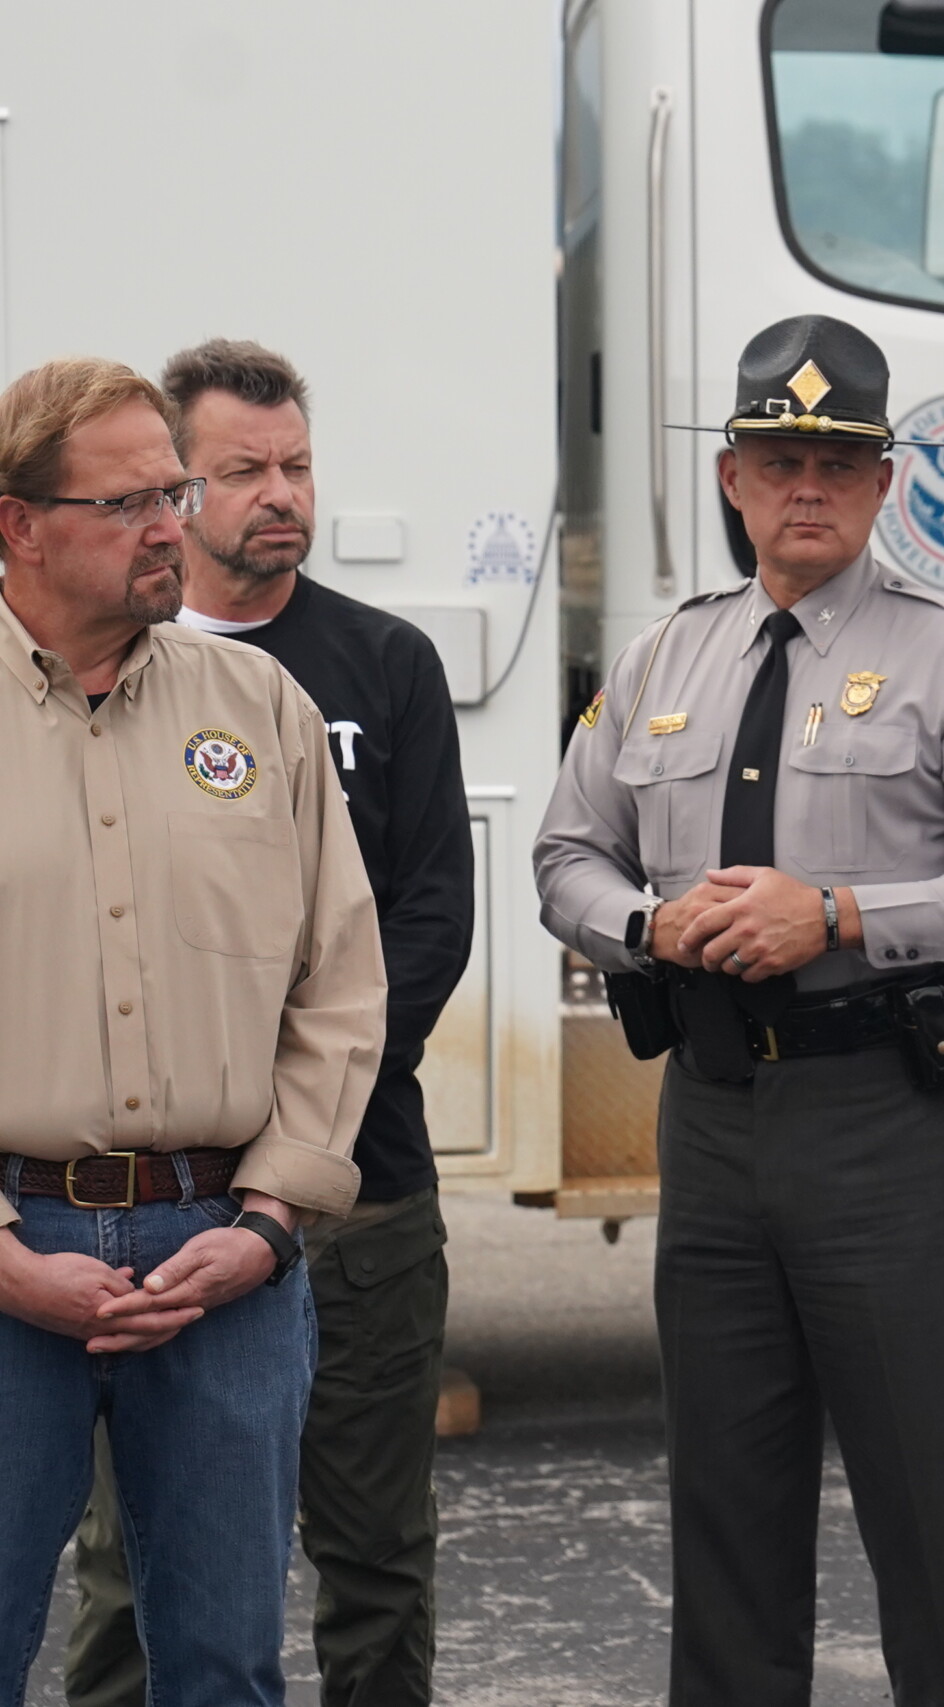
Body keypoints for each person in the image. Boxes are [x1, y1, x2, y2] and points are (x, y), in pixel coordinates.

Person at [533, 313, 944, 1707]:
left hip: (886, 1121)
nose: (808, 488)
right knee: (725, 1515)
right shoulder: (661, 662)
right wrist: (648, 925)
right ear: (733, 477)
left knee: (935, 1518)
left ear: (886, 482)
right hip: (713, 1119)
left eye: (839, 462)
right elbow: (565, 857)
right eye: (780, 460)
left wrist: (838, 914)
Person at [61, 339, 474, 1707]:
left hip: (360, 1188)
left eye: (296, 465)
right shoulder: (111, 672)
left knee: (376, 1555)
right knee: (133, 1571)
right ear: (178, 489)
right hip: (155, 1204)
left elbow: (423, 926)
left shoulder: (384, 662)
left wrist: (297, 1124)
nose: (280, 494)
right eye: (242, 470)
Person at [0, 357, 385, 1707]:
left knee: (225, 1666)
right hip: (11, 1244)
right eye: (130, 504)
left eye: (174, 492)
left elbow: (340, 980)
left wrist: (270, 1219)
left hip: (220, 1252)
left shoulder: (259, 708)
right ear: (19, 523)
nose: (173, 526)